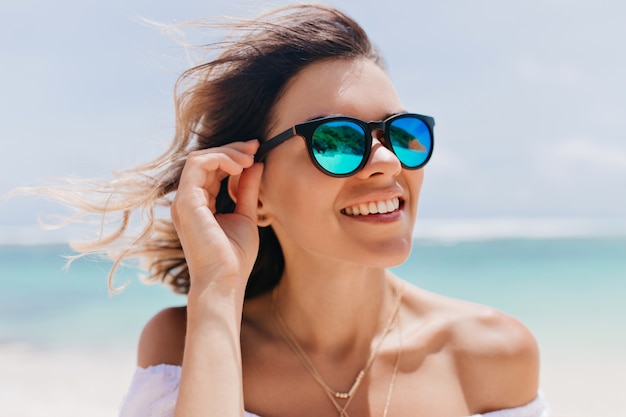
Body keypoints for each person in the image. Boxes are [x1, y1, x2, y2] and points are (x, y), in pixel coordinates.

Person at [42, 4, 549, 417]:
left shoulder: (491, 354)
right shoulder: (184, 344)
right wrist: (217, 288)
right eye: (334, 141)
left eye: (402, 133)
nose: (388, 161)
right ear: (252, 190)